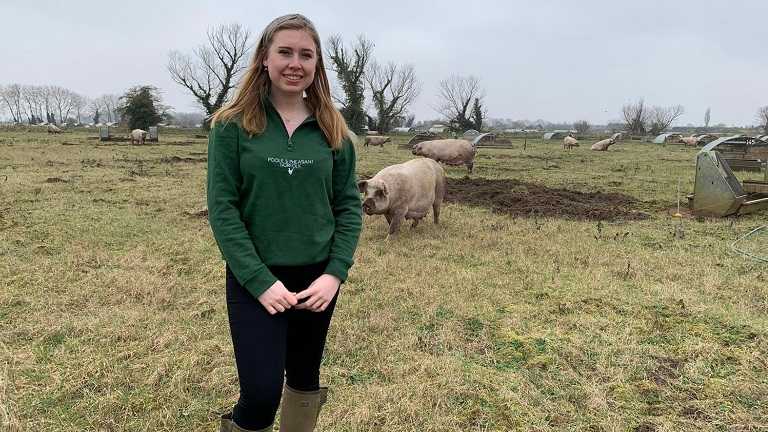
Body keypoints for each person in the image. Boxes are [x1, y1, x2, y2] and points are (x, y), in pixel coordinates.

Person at [206, 13, 362, 432]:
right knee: (260, 393)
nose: (296, 63)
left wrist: (334, 274)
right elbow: (223, 210)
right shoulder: (231, 126)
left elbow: (349, 207)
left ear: (317, 65)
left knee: (305, 380)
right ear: (264, 59)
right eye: (285, 52)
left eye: (306, 54)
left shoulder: (335, 131)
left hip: (317, 280)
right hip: (254, 279)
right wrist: (258, 280)